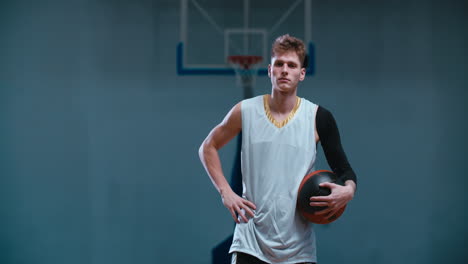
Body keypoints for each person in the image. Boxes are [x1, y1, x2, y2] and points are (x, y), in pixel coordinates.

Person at [199, 34, 357, 264]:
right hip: (250, 243)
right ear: (269, 70)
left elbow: (345, 171)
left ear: (301, 73)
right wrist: (226, 192)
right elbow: (208, 147)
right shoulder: (245, 111)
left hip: (298, 249)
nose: (284, 70)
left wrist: (348, 191)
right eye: (279, 64)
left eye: (292, 65)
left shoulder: (318, 117)